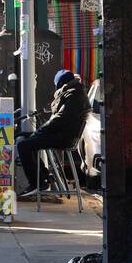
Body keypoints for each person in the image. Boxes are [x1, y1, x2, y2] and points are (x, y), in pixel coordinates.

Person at [16, 69, 90, 199]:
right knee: (25, 137)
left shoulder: (73, 95)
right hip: (63, 134)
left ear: (60, 83)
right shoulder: (74, 92)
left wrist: (41, 131)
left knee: (23, 146)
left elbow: (60, 119)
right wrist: (39, 132)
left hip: (63, 137)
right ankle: (44, 177)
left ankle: (36, 183)